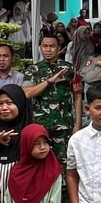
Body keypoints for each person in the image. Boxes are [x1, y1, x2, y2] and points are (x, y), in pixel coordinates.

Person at [24, 34, 81, 170]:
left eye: (52, 46)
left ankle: (63, 185)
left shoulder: (70, 69)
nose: (48, 49)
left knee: (65, 163)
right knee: (40, 163)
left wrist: (78, 123)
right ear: (40, 48)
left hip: (64, 124)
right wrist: (48, 82)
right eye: (45, 46)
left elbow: (78, 96)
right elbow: (27, 93)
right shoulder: (33, 70)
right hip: (40, 124)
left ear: (59, 48)